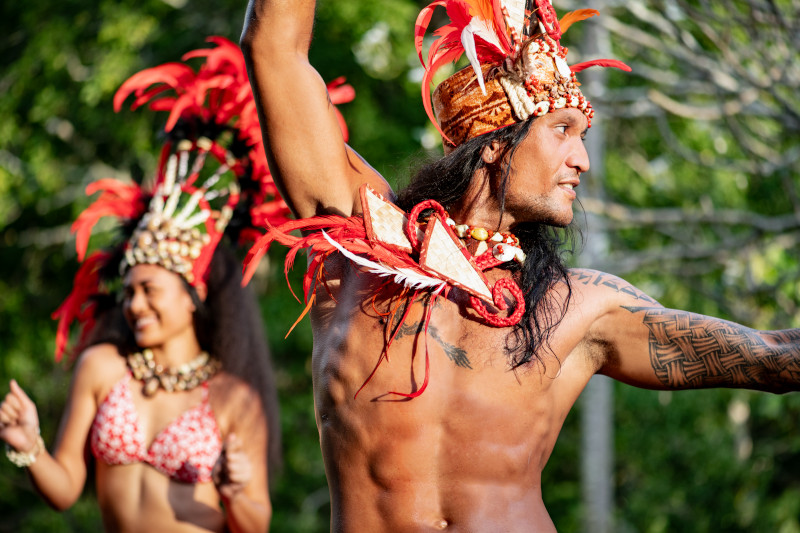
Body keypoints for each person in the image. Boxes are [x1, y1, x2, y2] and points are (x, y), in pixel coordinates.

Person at [240, 0, 800, 531]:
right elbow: (274, 49)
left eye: (584, 138)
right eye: (562, 130)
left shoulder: (579, 308)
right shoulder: (362, 241)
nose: (581, 160)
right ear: (493, 142)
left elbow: (775, 359)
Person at [0, 37, 284, 533]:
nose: (134, 304)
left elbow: (255, 524)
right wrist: (30, 448)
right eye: (129, 291)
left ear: (192, 295)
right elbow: (65, 489)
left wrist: (236, 490)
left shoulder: (234, 398)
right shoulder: (103, 367)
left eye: (150, 289)